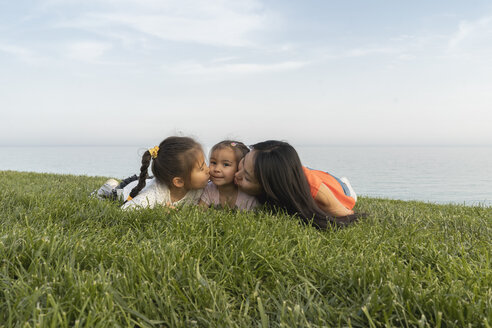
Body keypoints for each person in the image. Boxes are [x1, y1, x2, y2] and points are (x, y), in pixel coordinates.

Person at [234, 140, 364, 229]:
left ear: (271, 187)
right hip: (302, 173)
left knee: (347, 193)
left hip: (337, 186)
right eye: (243, 161)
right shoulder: (255, 166)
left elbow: (346, 213)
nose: (236, 175)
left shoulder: (315, 190)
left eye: (246, 178)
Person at [96, 136, 210, 210]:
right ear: (179, 181)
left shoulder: (200, 188)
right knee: (112, 194)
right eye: (201, 168)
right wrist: (159, 210)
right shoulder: (152, 196)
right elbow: (125, 210)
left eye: (205, 163)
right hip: (131, 188)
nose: (208, 169)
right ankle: (109, 186)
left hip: (149, 180)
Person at [199, 140, 258, 210]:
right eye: (213, 162)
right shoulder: (209, 189)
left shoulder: (248, 195)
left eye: (226, 164)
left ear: (239, 168)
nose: (217, 169)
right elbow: (199, 212)